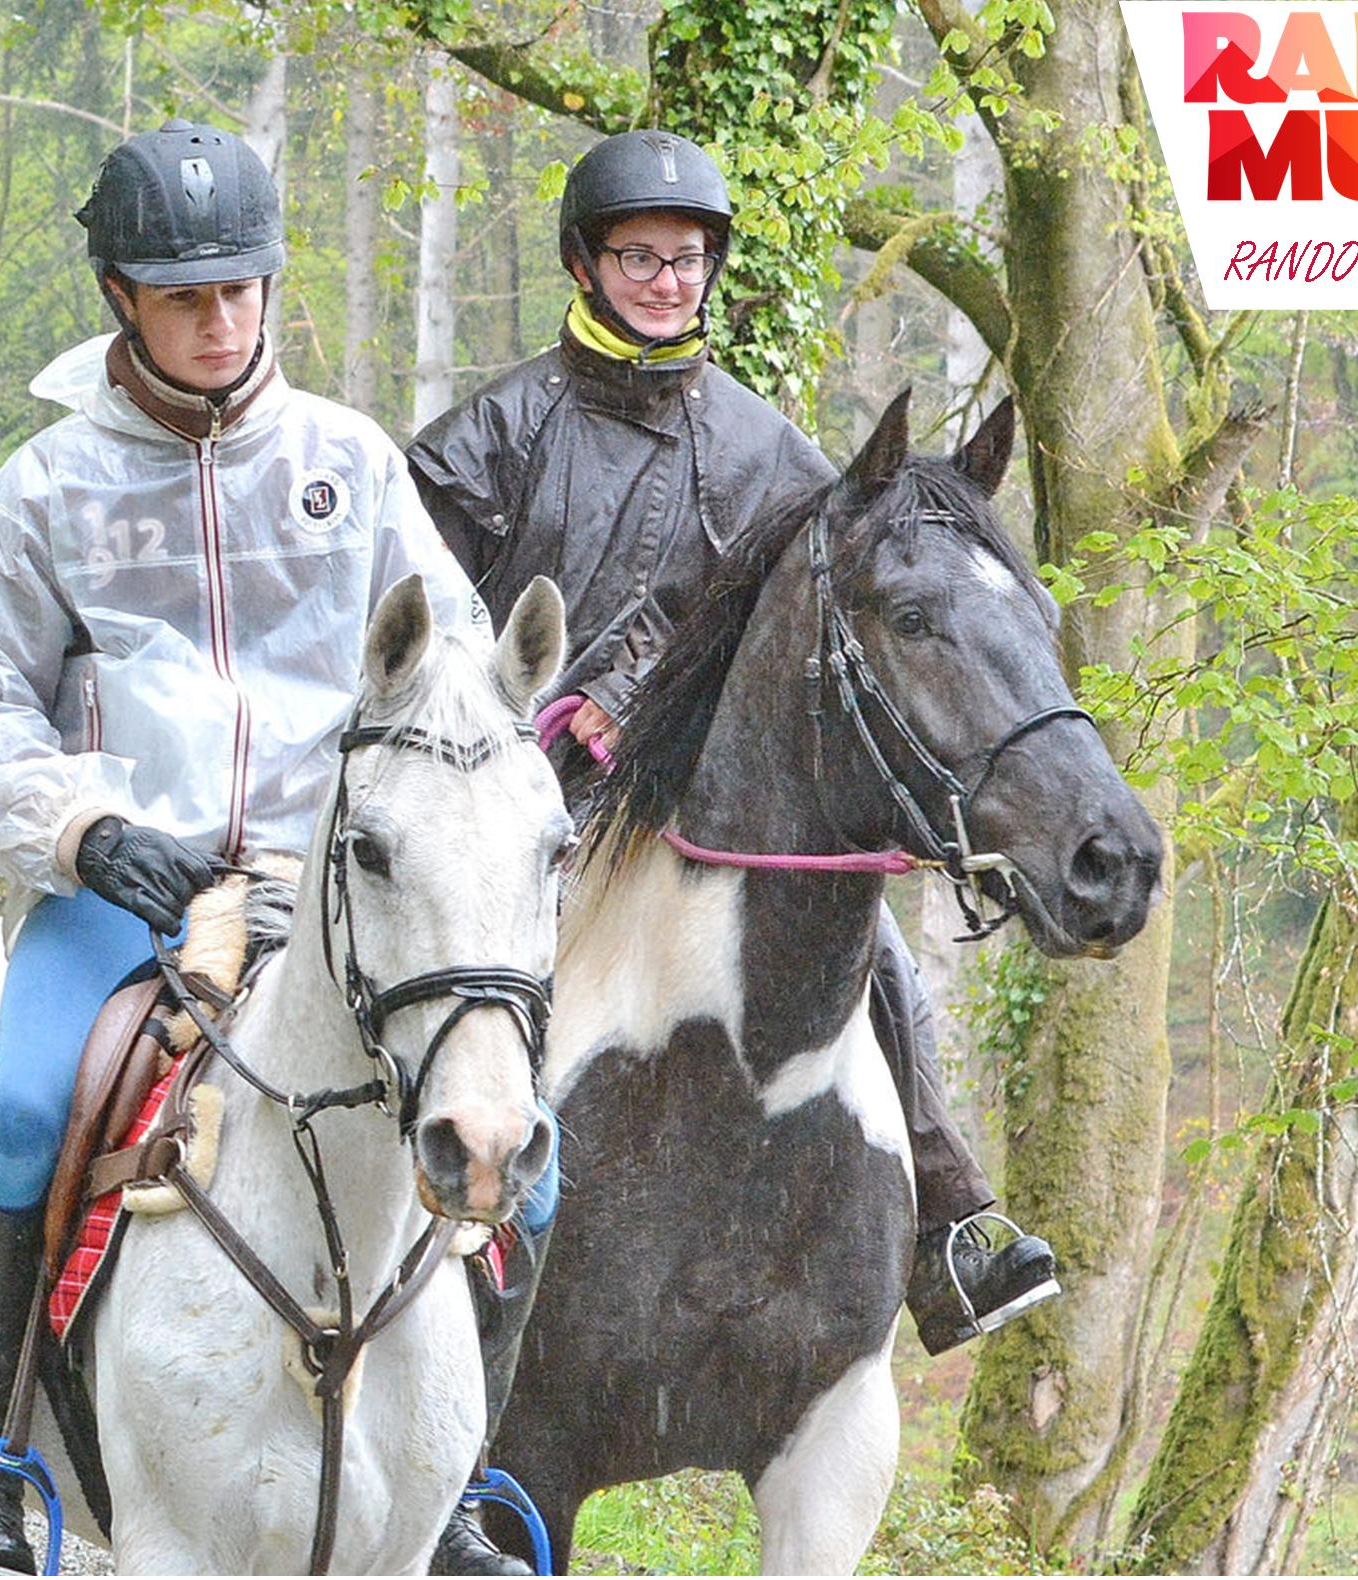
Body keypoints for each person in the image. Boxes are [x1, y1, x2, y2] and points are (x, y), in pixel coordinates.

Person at [0, 122, 534, 1575]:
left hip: (341, 892)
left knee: (525, 1156)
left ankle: (457, 1491)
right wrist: (82, 827)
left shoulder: (351, 464)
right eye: (184, 295)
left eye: (241, 289)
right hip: (132, 893)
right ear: (120, 296)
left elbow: (447, 667)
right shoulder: (49, 485)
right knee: (17, 1116)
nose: (219, 320)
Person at [399, 129, 1062, 1368]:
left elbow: (805, 622)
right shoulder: (484, 437)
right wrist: (534, 713)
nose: (666, 280)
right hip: (524, 788)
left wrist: (645, 688)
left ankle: (949, 1218)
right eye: (638, 256)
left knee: (862, 929)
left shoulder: (774, 453)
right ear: (584, 267)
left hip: (704, 790)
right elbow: (418, 626)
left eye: (688, 257)